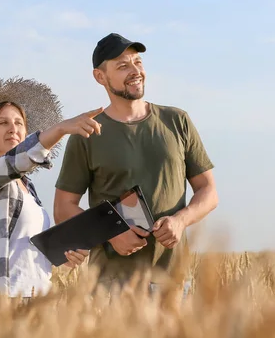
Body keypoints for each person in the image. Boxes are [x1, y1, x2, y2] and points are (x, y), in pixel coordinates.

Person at [53, 33, 219, 296]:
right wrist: (111, 233)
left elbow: (209, 191)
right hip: (111, 284)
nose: (135, 71)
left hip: (173, 281)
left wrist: (180, 221)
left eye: (138, 62)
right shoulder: (86, 133)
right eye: (122, 66)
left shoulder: (177, 121)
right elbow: (63, 208)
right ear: (100, 77)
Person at [0, 76, 103, 298]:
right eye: (3, 123)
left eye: (18, 123)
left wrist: (64, 255)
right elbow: (18, 160)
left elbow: (27, 251)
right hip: (3, 300)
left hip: (39, 299)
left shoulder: (28, 190)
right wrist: (61, 128)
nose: (13, 129)